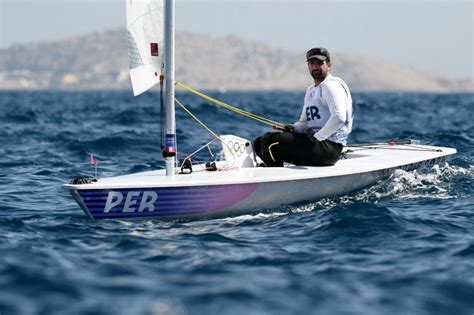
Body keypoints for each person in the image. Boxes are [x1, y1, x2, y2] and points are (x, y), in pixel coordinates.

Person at [253, 47, 353, 167]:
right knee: (258, 143)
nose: (315, 67)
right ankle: (276, 170)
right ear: (308, 66)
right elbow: (304, 122)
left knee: (269, 141)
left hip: (329, 148)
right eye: (312, 63)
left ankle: (274, 176)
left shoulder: (331, 87)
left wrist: (317, 137)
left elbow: (339, 118)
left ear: (329, 66)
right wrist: (293, 128)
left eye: (320, 63)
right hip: (315, 143)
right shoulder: (311, 90)